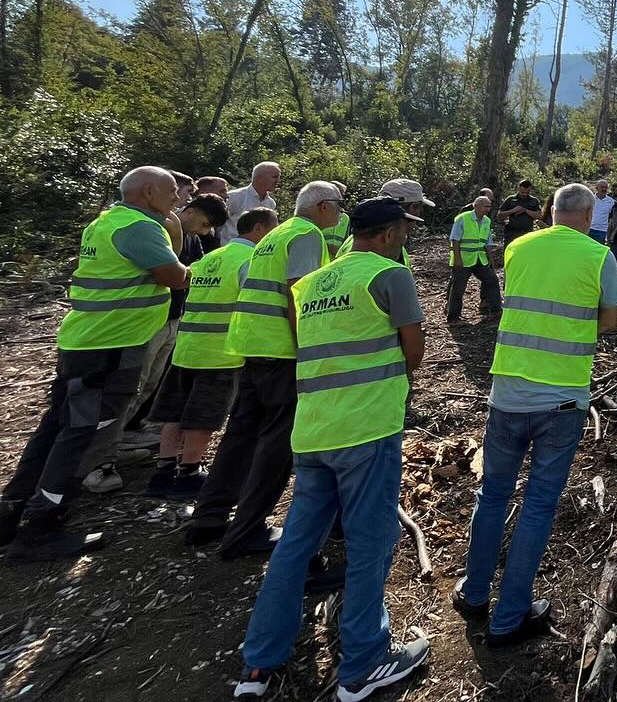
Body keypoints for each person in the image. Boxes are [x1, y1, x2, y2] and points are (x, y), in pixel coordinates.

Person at [233, 197, 429, 702]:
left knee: (296, 544)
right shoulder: (389, 275)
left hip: (314, 429)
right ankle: (364, 663)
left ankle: (257, 666)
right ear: (386, 234)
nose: (406, 237)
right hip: (366, 427)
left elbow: (307, 345)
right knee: (370, 542)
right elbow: (414, 350)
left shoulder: (313, 281)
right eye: (404, 230)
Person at [454, 183, 617, 647]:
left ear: (549, 211)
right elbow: (608, 320)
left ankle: (474, 594)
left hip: (507, 390)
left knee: (492, 495)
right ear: (588, 216)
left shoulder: (517, 247)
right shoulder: (598, 256)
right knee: (539, 504)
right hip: (563, 398)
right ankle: (509, 617)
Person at [0, 167, 189, 560]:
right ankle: (41, 526)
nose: (177, 199)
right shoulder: (140, 227)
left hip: (85, 341)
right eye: (172, 191)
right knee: (83, 435)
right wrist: (180, 245)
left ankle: (13, 509)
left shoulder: (107, 221)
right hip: (111, 349)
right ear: (149, 191)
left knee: (56, 428)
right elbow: (175, 277)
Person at [186, 181, 341, 557]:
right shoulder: (305, 235)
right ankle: (247, 530)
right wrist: (309, 351)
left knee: (242, 433)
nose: (340, 212)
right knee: (277, 443)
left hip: (252, 344)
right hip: (280, 350)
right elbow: (296, 294)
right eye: (337, 204)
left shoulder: (278, 232)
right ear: (322, 206)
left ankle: (210, 516)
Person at [81, 191, 229, 493]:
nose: (207, 231)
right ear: (194, 211)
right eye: (206, 223)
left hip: (172, 319)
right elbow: (174, 276)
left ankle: (115, 446)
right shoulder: (154, 232)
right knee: (127, 390)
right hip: (142, 325)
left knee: (145, 387)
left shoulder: (191, 240)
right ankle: (97, 464)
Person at [147, 207, 279, 501]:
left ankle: (163, 470)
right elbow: (254, 306)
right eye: (273, 229)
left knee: (177, 412)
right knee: (204, 416)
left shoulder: (210, 258)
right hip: (220, 352)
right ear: (258, 230)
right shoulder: (250, 261)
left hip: (188, 347)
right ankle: (189, 472)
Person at [336, 178, 433, 267]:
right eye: (419, 207)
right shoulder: (380, 247)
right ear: (413, 207)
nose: (419, 213)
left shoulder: (363, 238)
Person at [447, 195, 502, 321]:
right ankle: (453, 317)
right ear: (476, 206)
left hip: (479, 259)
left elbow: (487, 243)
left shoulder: (487, 221)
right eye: (486, 206)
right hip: (464, 260)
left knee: (492, 280)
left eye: (489, 206)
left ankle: (495, 310)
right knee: (458, 289)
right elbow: (455, 239)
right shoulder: (462, 218)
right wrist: (457, 259)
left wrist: (491, 261)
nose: (488, 209)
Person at [221, 162, 281, 245]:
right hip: (229, 249)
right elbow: (218, 223)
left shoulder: (270, 203)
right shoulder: (235, 196)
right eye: (275, 177)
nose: (278, 181)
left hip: (254, 251)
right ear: (260, 178)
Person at [498, 180, 543, 245]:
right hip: (511, 234)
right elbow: (499, 216)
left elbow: (539, 215)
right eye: (522, 192)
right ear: (518, 189)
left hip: (527, 234)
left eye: (527, 192)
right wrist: (513, 210)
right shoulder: (510, 199)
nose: (525, 194)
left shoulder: (534, 201)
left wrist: (525, 210)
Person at [196, 177, 231, 253]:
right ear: (205, 193)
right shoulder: (192, 219)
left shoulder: (214, 217)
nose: (227, 196)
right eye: (222, 191)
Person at [322, 181, 351, 257]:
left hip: (335, 264)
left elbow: (346, 242)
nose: (341, 197)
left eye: (342, 194)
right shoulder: (319, 213)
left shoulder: (345, 218)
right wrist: (330, 248)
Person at [588, 179, 615, 244]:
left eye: (605, 187)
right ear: (596, 188)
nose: (604, 189)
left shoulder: (610, 201)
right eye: (602, 187)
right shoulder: (590, 199)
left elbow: (611, 217)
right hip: (590, 229)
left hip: (602, 231)